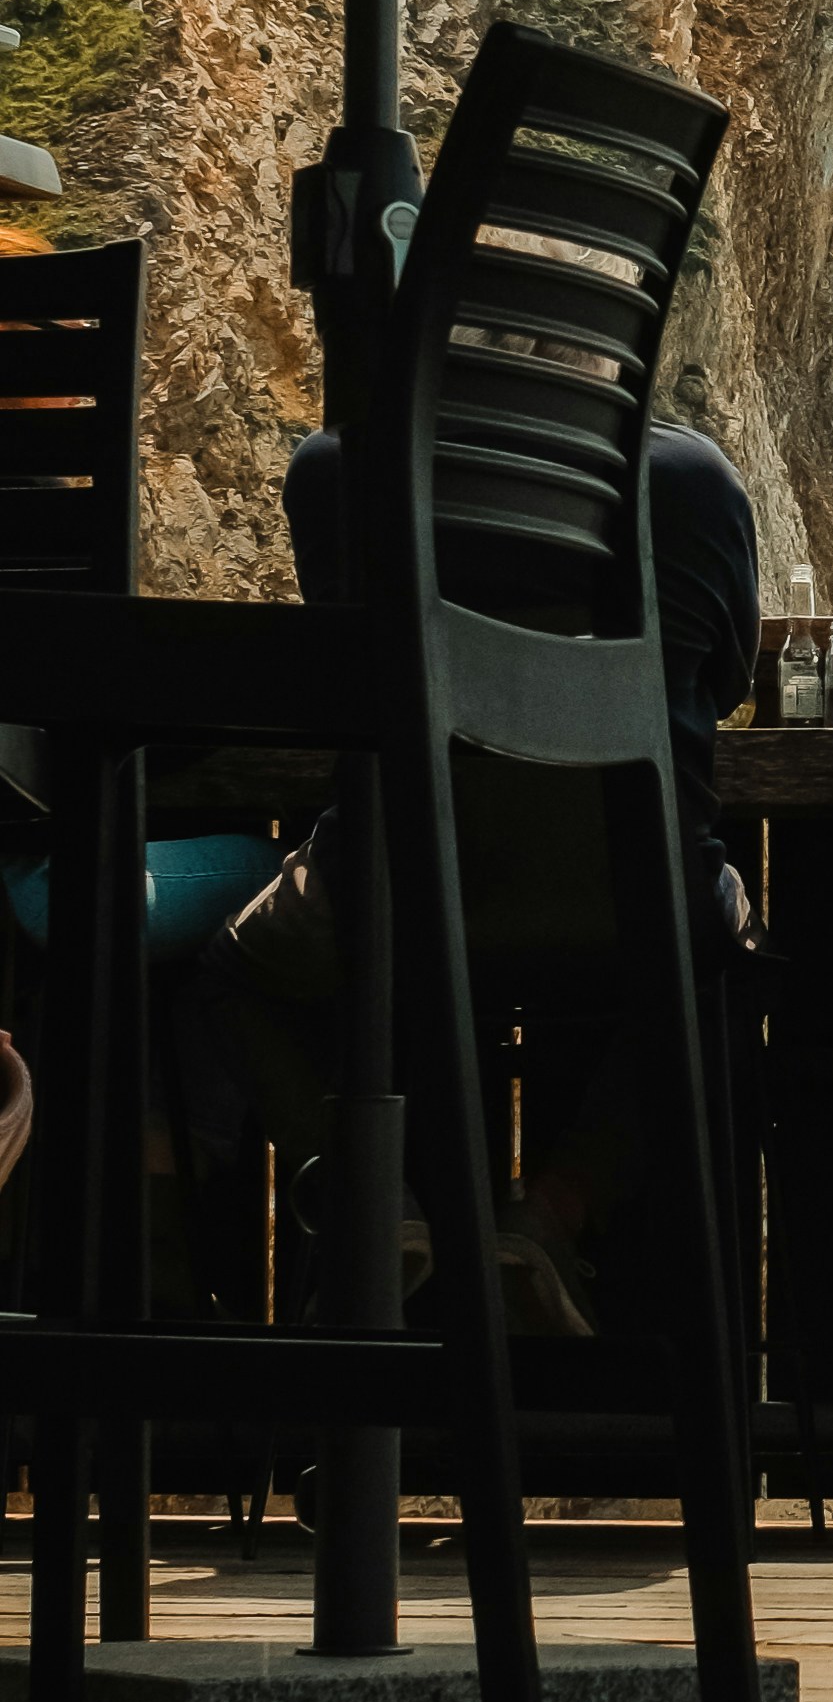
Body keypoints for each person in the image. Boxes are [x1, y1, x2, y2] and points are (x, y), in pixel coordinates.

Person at [210, 410, 761, 1334]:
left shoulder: (337, 469)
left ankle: (369, 1202)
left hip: (395, 899)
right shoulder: (695, 479)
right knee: (718, 961)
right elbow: (728, 682)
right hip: (626, 900)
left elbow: (348, 674)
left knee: (231, 972)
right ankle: (553, 1212)